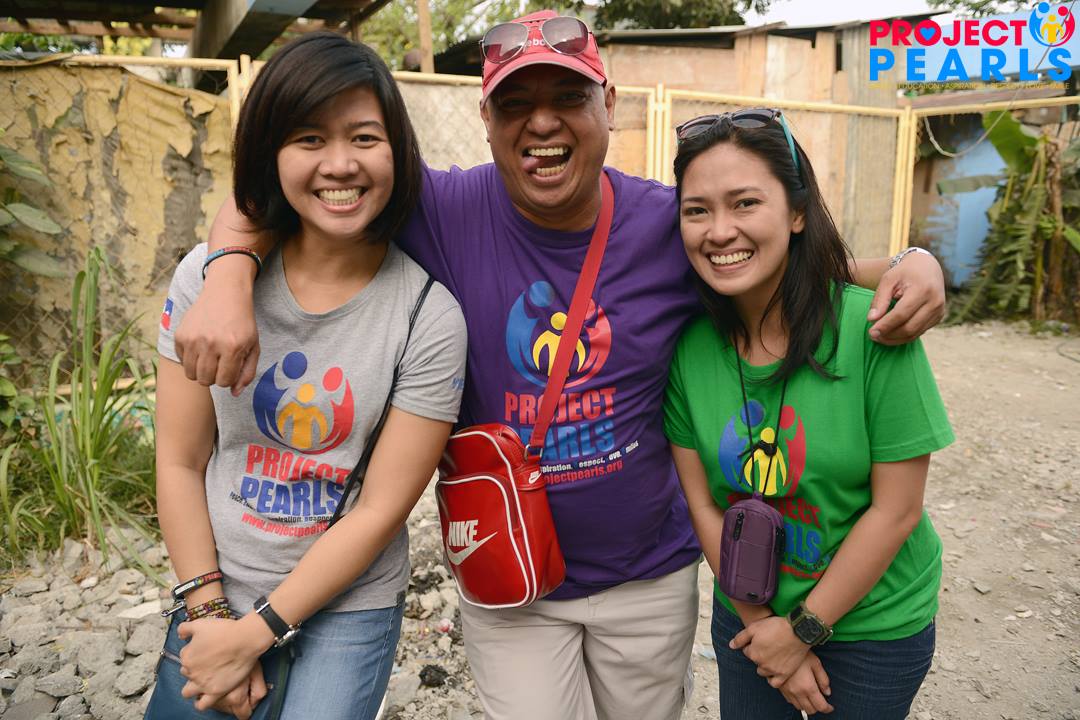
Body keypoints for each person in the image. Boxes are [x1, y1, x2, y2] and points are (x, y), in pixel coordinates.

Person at [173, 11, 947, 720]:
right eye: (515, 103)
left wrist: (912, 262)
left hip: (647, 577)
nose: (542, 121)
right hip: (510, 581)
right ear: (486, 120)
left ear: (608, 105)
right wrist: (227, 276)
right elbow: (283, 192)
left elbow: (779, 261)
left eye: (568, 97)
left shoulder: (670, 224)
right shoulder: (439, 209)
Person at [146, 33, 466, 720]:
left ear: (397, 150)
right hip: (214, 584)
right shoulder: (204, 282)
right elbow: (178, 460)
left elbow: (380, 511)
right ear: (271, 151)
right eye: (309, 139)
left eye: (364, 137)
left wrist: (253, 637)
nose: (340, 164)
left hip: (348, 602)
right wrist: (210, 616)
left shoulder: (429, 316)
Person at [664, 109, 953, 719]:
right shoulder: (688, 348)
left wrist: (801, 632)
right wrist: (763, 628)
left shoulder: (874, 330)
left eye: (746, 203)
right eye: (697, 210)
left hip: (873, 626)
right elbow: (704, 504)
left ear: (797, 212)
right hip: (749, 613)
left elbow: (897, 510)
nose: (720, 231)